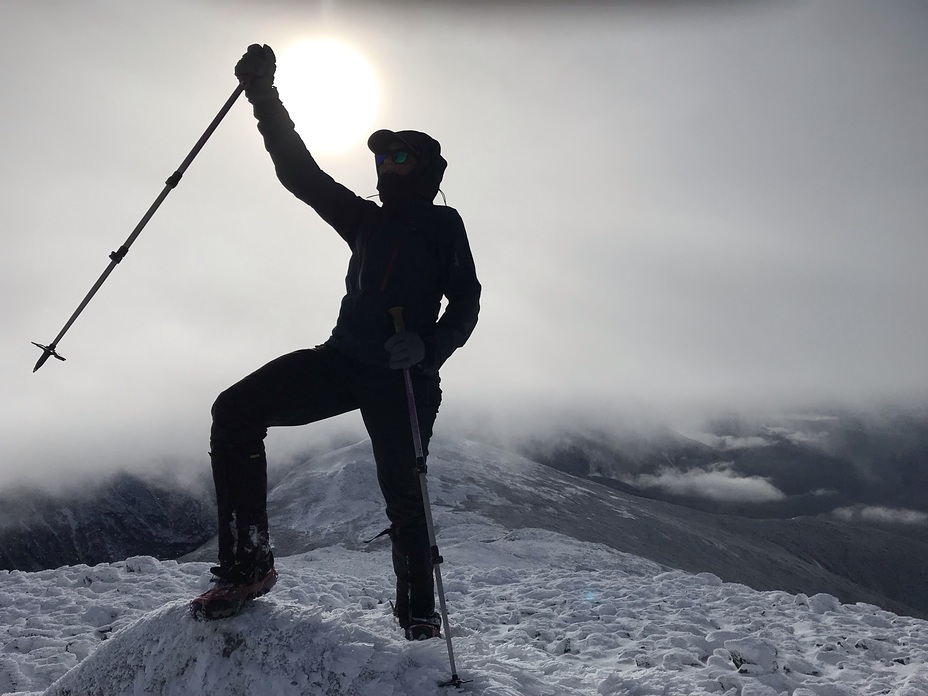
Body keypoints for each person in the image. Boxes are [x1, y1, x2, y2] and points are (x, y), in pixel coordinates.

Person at [189, 45, 481, 640]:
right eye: (382, 155)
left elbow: (468, 302)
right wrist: (263, 96)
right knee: (235, 410)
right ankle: (248, 567)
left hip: (405, 379)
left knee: (406, 500)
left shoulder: (444, 227)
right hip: (346, 361)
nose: (387, 165)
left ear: (425, 170)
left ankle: (419, 618)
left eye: (401, 155)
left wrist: (430, 347)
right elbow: (299, 173)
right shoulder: (364, 220)